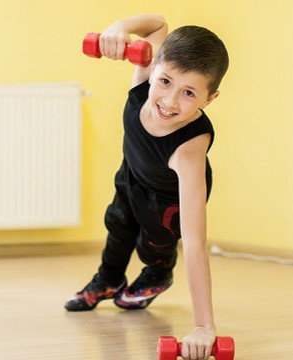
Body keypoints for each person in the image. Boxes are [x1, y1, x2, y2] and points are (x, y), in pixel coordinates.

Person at [64, 14, 229, 360]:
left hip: (169, 201)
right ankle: (108, 278)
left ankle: (157, 273)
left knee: (154, 243)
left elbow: (196, 242)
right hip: (133, 174)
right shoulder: (143, 79)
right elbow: (157, 25)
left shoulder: (189, 149)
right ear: (152, 66)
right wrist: (119, 29)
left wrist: (204, 327)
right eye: (166, 81)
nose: (169, 102)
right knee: (118, 225)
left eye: (188, 93)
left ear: (209, 99)